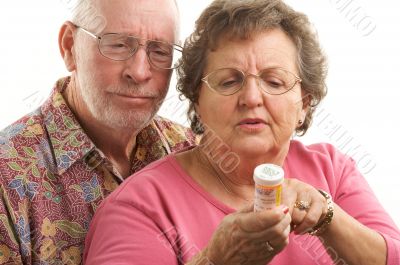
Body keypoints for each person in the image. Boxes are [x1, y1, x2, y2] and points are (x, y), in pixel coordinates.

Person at [84, 0, 400, 264]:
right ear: (197, 100)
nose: (251, 98)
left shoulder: (332, 170)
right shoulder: (140, 206)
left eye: (274, 82)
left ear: (303, 103)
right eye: (229, 81)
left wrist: (328, 217)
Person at [0, 0, 196, 264]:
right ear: (69, 47)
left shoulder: (191, 151)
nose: (139, 72)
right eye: (118, 45)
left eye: (159, 51)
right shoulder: (7, 176)